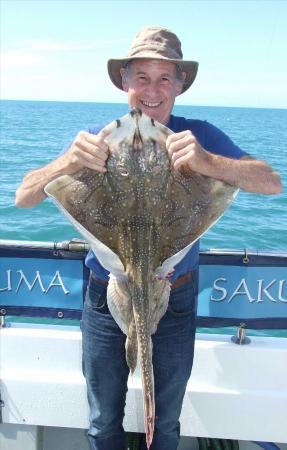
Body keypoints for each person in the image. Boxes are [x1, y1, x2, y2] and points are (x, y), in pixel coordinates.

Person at [15, 27, 282, 450]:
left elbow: (271, 183)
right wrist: (68, 160)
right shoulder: (94, 136)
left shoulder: (200, 134)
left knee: (166, 419)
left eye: (164, 79)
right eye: (142, 77)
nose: (152, 91)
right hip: (106, 294)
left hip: (175, 295)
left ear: (179, 84)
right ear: (125, 81)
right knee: (104, 419)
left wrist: (207, 160)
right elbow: (23, 195)